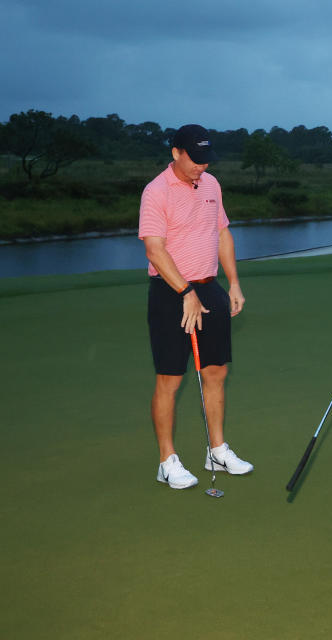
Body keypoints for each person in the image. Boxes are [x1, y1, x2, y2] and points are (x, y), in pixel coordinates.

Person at [139, 124, 253, 490]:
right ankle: (166, 460)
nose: (201, 167)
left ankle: (216, 448)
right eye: (195, 159)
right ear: (176, 153)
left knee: (216, 372)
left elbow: (222, 233)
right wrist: (185, 290)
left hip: (209, 287)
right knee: (170, 379)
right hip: (170, 293)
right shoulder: (156, 191)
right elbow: (155, 248)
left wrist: (233, 282)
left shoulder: (212, 185)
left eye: (206, 160)